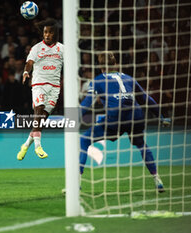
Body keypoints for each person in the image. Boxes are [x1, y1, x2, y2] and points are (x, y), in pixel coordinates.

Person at [79, 51, 170, 193]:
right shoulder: (129, 78)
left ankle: (76, 183)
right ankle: (157, 179)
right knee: (141, 144)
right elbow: (146, 99)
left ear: (99, 65)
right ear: (115, 63)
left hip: (116, 117)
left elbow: (87, 103)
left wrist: (73, 116)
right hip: (136, 115)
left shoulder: (98, 80)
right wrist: (161, 117)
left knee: (84, 140)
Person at [17, 18, 64, 160]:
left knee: (41, 119)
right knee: (39, 109)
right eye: (45, 32)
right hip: (39, 84)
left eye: (50, 32)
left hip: (55, 86)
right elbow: (29, 62)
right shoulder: (37, 48)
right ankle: (38, 146)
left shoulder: (62, 49)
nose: (47, 35)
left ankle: (25, 145)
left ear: (55, 34)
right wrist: (26, 72)